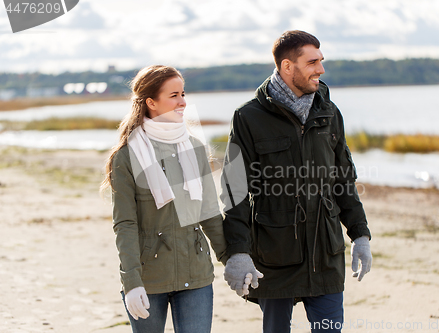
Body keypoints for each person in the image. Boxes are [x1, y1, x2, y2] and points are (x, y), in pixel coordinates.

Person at [220, 30, 372, 333]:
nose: (321, 69)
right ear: (288, 67)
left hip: (325, 254)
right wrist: (237, 253)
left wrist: (360, 234)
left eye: (321, 60)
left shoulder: (329, 113)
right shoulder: (249, 117)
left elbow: (343, 179)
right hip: (275, 255)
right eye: (312, 62)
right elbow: (234, 189)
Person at [101, 65, 227, 333]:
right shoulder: (126, 157)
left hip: (196, 275)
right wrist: (131, 281)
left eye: (183, 93)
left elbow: (210, 214)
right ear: (151, 102)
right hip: (149, 278)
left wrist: (233, 259)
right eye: (174, 95)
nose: (183, 102)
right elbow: (125, 225)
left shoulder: (194, 147)